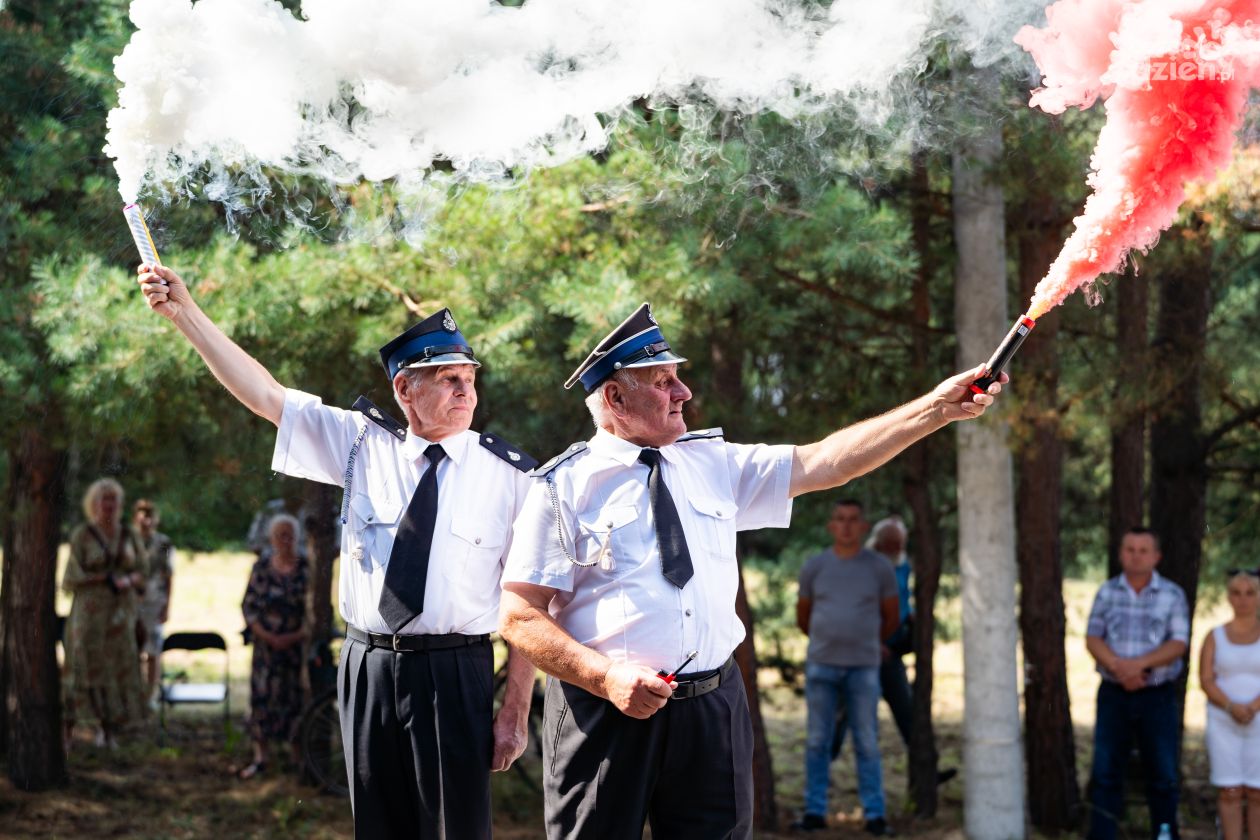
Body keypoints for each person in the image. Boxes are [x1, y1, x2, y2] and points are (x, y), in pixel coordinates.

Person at [499, 303, 1004, 839]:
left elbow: (825, 462)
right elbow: (519, 616)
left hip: (712, 708)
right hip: (603, 711)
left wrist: (934, 409)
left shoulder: (713, 463)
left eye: (679, 377)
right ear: (616, 398)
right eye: (663, 381)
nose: (683, 392)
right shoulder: (562, 486)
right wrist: (605, 678)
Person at [137, 263, 537, 838]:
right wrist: (186, 315)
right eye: (447, 378)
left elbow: (529, 601)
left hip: (455, 671)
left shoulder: (509, 475)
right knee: (376, 826)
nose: (464, 390)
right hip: (368, 666)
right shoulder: (360, 444)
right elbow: (265, 395)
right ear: (405, 389)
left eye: (469, 378)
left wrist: (515, 710)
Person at [794, 499, 899, 835]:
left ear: (864, 526)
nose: (847, 526)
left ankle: (874, 814)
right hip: (821, 665)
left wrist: (867, 640)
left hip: (864, 667)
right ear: (831, 526)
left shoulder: (880, 568)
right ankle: (814, 811)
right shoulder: (815, 566)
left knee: (867, 741)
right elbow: (803, 616)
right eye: (840, 519)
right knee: (817, 741)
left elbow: (892, 617)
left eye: (854, 520)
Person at [1085, 527, 1190, 840]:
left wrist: (1139, 666)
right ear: (1120, 554)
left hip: (1156, 695)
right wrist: (1120, 669)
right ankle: (1103, 835)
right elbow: (1093, 638)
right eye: (1130, 549)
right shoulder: (1107, 592)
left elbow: (1178, 643)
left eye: (1143, 550)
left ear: (1156, 556)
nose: (1136, 556)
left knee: (1163, 773)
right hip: (1114, 693)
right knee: (1105, 772)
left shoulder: (1172, 594)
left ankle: (1164, 834)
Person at [62, 478, 148, 749]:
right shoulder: (82, 535)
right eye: (104, 499)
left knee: (120, 666)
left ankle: (115, 727)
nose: (109, 505)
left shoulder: (129, 535)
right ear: (94, 504)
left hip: (121, 613)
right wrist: (101, 578)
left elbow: (144, 570)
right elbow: (71, 576)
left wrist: (128, 581)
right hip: (89, 614)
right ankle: (90, 725)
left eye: (113, 500)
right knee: (88, 665)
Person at [238, 514, 310, 779]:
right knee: (262, 698)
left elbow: (313, 613)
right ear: (271, 539)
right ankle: (261, 758)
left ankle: (296, 757)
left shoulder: (306, 568)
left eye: (289, 535)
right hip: (265, 646)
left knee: (294, 700)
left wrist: (294, 636)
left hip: (295, 646)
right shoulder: (261, 567)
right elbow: (248, 607)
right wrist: (267, 636)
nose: (285, 540)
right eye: (280, 535)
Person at [1200, 568, 1260, 840]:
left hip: (1258, 720)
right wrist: (1230, 706)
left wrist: (1253, 706)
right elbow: (1206, 678)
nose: (1243, 599)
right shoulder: (1215, 636)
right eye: (1236, 593)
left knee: (1258, 792)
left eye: (1250, 593)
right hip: (1223, 720)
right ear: (1228, 597)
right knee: (1230, 790)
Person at [133, 498, 174, 706]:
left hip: (155, 602)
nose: (145, 520)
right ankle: (134, 694)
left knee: (153, 650)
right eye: (142, 515)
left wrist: (167, 606)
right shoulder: (129, 541)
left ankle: (150, 696)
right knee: (133, 650)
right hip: (132, 603)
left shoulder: (164, 543)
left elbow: (169, 575)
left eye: (149, 515)